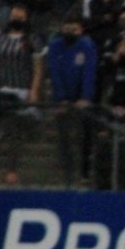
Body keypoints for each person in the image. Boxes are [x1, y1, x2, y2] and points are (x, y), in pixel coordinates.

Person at [48, 10, 98, 186]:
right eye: (68, 28)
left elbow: (88, 72)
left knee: (84, 136)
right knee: (64, 138)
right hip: (63, 99)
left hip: (82, 98)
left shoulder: (87, 45)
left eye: (75, 29)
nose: (71, 32)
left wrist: (85, 97)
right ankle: (66, 173)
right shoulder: (55, 46)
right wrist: (61, 98)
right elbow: (55, 72)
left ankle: (83, 173)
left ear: (81, 30)